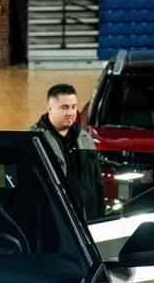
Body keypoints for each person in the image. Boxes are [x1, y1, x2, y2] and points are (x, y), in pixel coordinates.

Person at [30, 83, 106, 219]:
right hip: (53, 219)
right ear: (50, 109)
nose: (70, 113)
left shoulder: (85, 138)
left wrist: (100, 216)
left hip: (87, 218)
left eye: (73, 107)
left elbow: (97, 181)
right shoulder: (34, 139)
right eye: (64, 108)